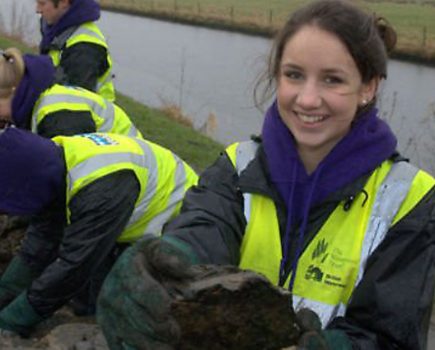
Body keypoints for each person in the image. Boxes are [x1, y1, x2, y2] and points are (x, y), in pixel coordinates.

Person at [96, 1, 435, 349]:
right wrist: (169, 263)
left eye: (332, 80)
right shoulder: (237, 165)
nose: (307, 99)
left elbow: (391, 335)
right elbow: (205, 226)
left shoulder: (411, 199)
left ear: (368, 87)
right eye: (294, 75)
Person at [0, 127, 198, 335]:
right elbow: (42, 239)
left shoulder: (98, 191)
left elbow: (74, 266)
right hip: (126, 217)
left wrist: (12, 320)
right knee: (90, 295)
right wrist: (6, 291)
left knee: (129, 316)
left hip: (178, 230)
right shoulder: (55, 161)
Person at [0, 48, 140, 139]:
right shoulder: (36, 99)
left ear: (13, 91)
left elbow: (60, 173)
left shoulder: (57, 115)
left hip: (126, 169)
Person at [37, 0, 115, 101]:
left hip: (91, 115)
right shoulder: (59, 32)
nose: (37, 10)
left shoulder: (86, 48)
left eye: (42, 3)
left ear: (64, 3)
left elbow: (75, 104)